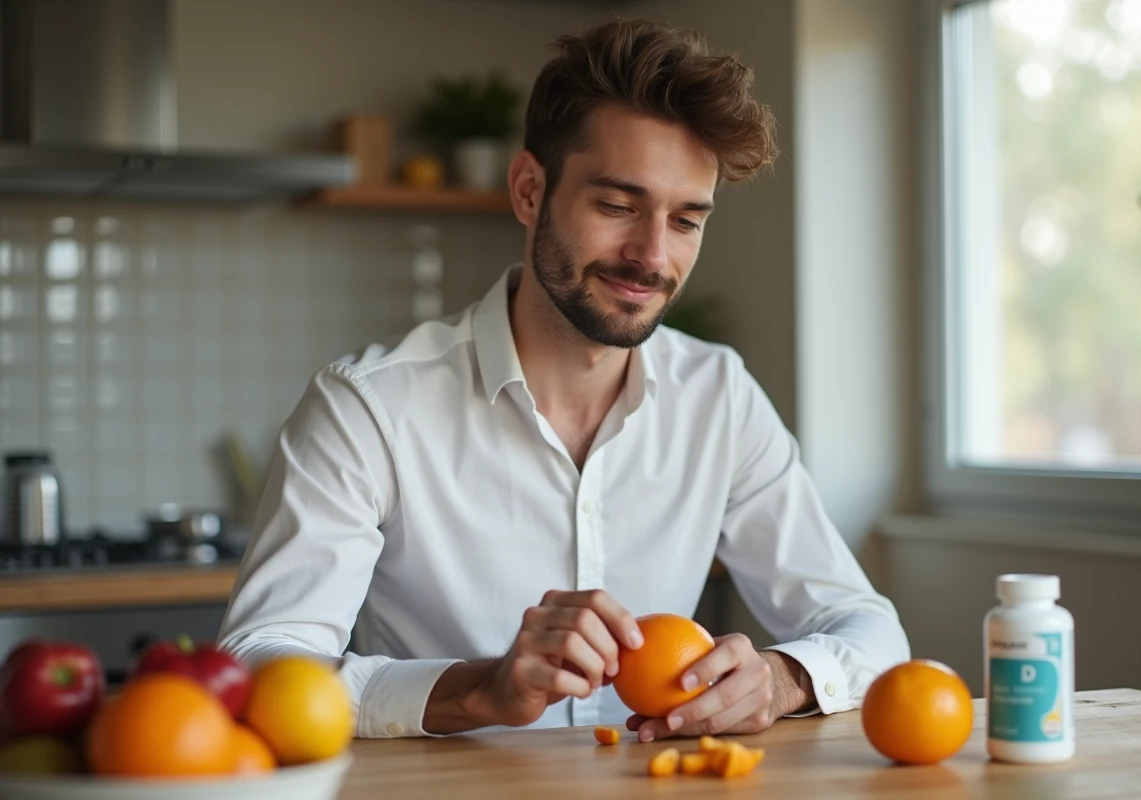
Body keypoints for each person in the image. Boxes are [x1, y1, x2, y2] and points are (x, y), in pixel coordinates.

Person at [218, 18, 909, 741]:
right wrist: (478, 691)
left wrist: (783, 677)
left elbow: (867, 628)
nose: (652, 256)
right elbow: (261, 663)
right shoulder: (367, 407)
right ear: (528, 190)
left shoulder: (719, 397)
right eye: (618, 206)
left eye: (685, 221)